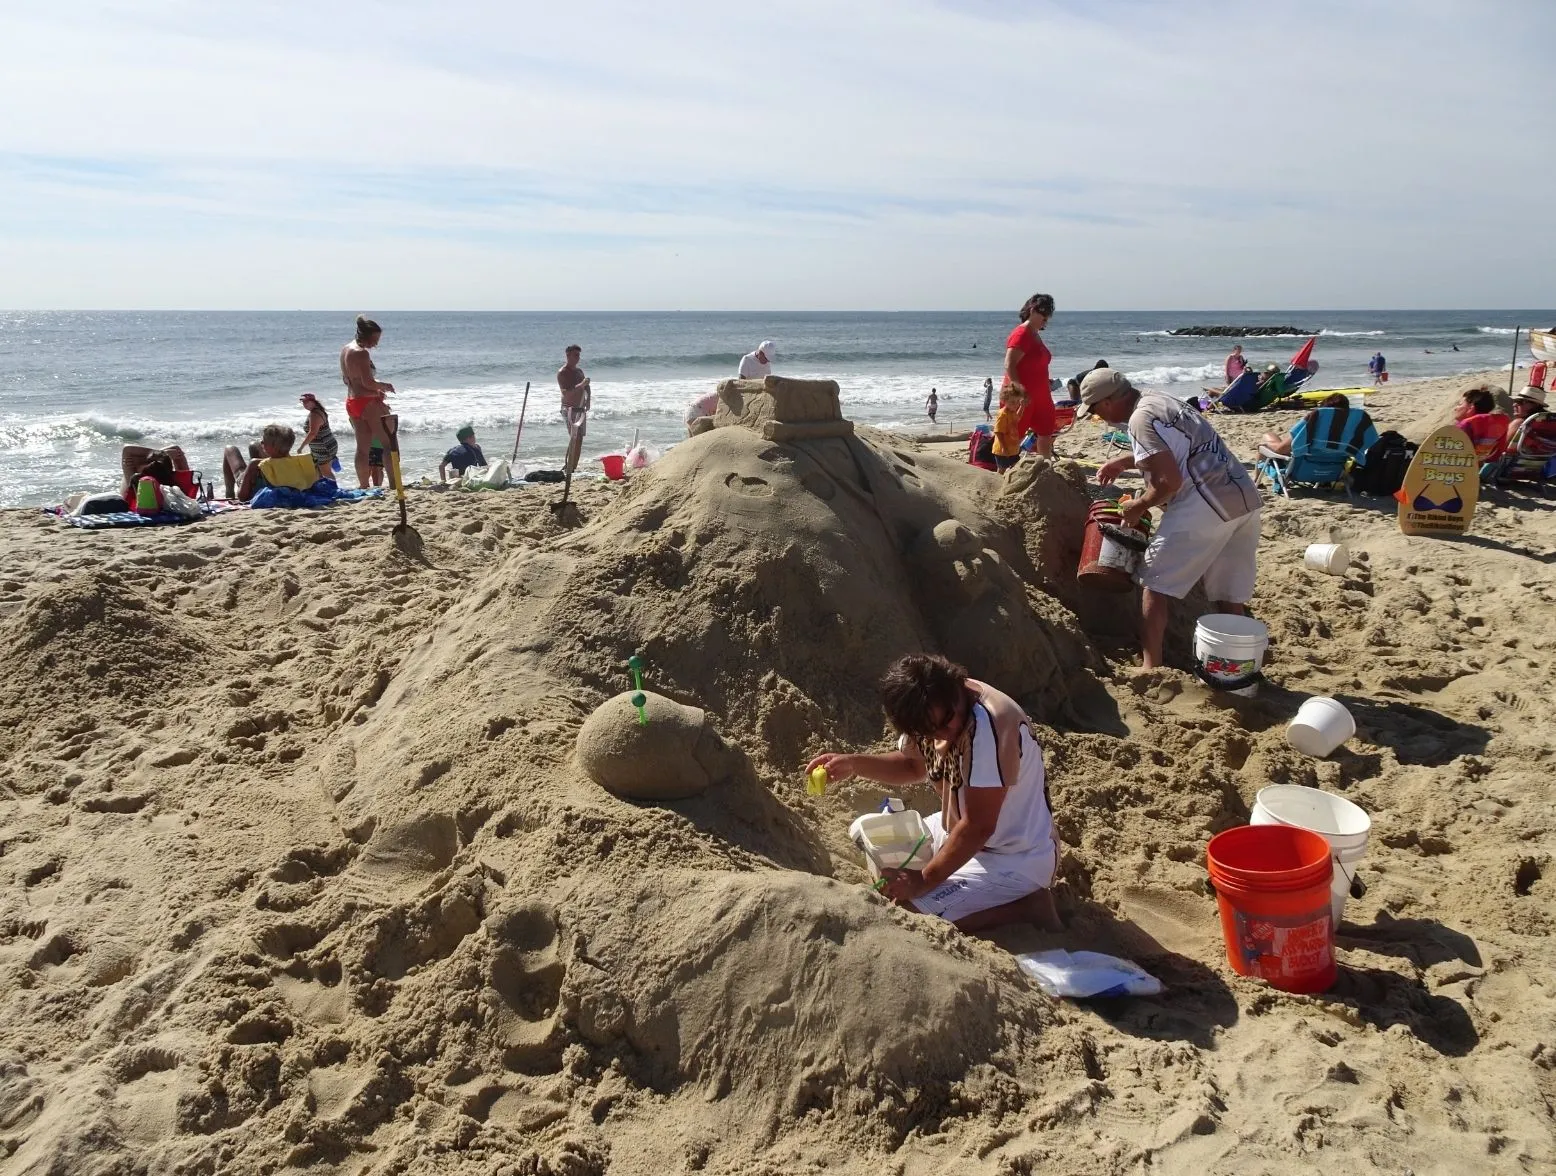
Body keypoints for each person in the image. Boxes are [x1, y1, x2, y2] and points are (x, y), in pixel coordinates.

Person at [807, 654, 1060, 933]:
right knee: (870, 839)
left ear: (956, 689)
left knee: (910, 915)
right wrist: (854, 764)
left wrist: (924, 880)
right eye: (930, 731)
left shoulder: (988, 726)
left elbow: (979, 826)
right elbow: (913, 766)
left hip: (1014, 856)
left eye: (947, 721)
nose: (943, 734)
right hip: (958, 828)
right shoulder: (928, 711)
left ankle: (1027, 908)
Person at [1079, 370, 1261, 670]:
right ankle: (1239, 666)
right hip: (1243, 498)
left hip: (1207, 502)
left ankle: (1152, 668)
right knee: (1228, 593)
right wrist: (1123, 461)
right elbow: (1176, 448)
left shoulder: (1138, 420)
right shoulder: (1159, 400)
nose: (1096, 417)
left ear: (1109, 401)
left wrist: (1139, 505)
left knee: (1155, 581)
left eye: (1095, 410)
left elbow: (1169, 481)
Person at [341, 315, 395, 490]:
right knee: (388, 443)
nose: (376, 344)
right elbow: (367, 383)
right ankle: (395, 485)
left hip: (352, 401)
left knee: (362, 448)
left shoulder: (345, 350)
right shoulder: (361, 353)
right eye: (374, 340)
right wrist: (384, 387)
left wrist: (374, 389)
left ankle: (363, 486)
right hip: (367, 402)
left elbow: (348, 380)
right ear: (365, 335)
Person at [1002, 294, 1056, 457]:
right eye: (1043, 316)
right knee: (1013, 437)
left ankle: (1046, 468)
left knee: (1046, 434)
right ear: (1032, 310)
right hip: (1021, 395)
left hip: (1041, 395)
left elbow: (1034, 364)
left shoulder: (1035, 334)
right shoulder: (1022, 334)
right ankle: (1004, 472)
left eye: (1047, 318)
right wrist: (1019, 392)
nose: (1045, 321)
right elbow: (1009, 364)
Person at [1257, 392, 1353, 457]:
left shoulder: (1312, 424)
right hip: (1334, 469)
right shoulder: (1352, 428)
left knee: (1268, 436)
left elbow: (1281, 450)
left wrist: (1265, 445)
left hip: (1305, 467)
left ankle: (1256, 480)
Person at [222, 424, 297, 503]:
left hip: (252, 490)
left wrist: (248, 472)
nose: (261, 442)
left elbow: (242, 497)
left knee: (230, 449)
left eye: (264, 442)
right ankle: (254, 476)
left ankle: (229, 494)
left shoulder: (255, 463)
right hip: (271, 480)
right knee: (254, 445)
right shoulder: (296, 462)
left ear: (274, 447)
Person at [558, 344, 591, 473]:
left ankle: (573, 466)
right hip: (569, 408)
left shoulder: (579, 371)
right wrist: (582, 384)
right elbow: (566, 392)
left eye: (579, 355)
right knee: (574, 437)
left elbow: (586, 386)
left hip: (580, 408)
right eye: (575, 355)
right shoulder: (563, 372)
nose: (578, 358)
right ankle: (568, 465)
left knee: (580, 438)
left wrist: (589, 399)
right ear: (568, 355)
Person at [1454, 387, 1510, 462]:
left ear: (1471, 407)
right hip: (1483, 467)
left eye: (1459, 404)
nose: (1456, 408)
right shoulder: (1499, 423)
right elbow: (1497, 453)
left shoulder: (1465, 426)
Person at [119, 444, 189, 500]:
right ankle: (157, 457)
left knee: (132, 460)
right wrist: (164, 455)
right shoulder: (178, 486)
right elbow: (176, 449)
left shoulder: (137, 483)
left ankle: (155, 457)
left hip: (130, 499)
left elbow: (127, 449)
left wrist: (164, 454)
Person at [297, 394, 339, 482]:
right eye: (303, 402)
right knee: (319, 470)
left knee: (326, 473)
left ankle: (334, 491)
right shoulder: (318, 411)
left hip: (324, 448)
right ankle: (326, 489)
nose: (305, 404)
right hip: (328, 444)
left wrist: (301, 447)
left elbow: (313, 433)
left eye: (307, 402)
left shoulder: (315, 414)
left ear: (313, 401)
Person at [990, 387, 1027, 471]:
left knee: (1016, 467)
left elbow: (1017, 418)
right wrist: (1004, 447)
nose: (1016, 404)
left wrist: (1022, 406)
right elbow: (998, 432)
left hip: (1013, 449)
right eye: (1012, 402)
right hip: (1002, 450)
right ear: (1004, 401)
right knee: (1002, 469)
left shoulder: (1012, 411)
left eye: (1018, 401)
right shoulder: (1003, 414)